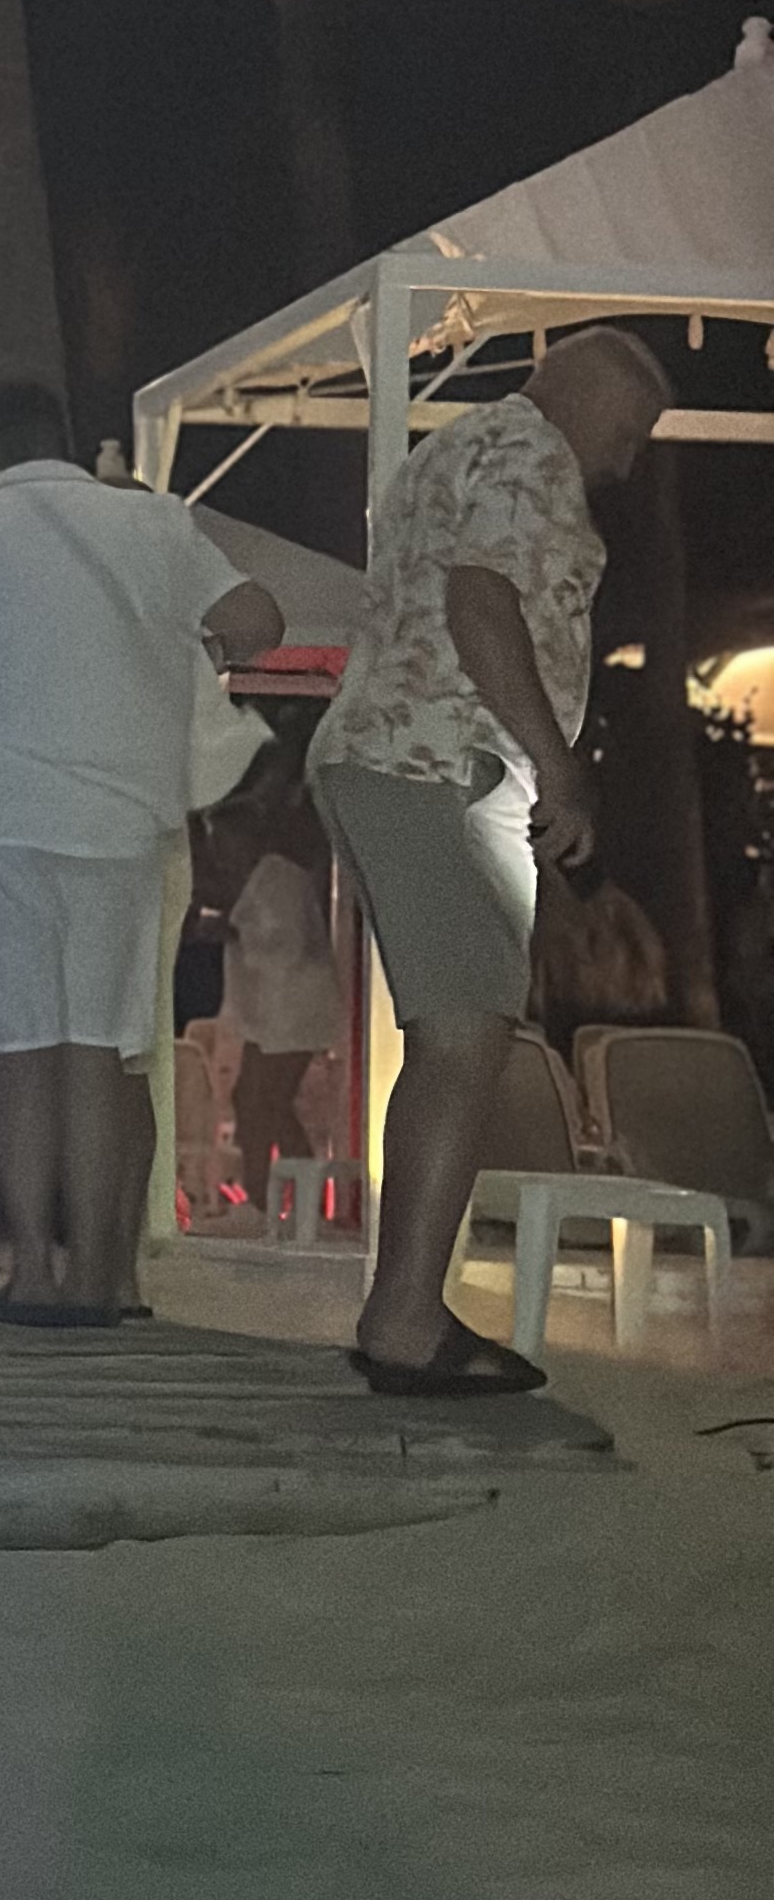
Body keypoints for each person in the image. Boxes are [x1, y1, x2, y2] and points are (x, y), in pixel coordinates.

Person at [0, 381, 282, 1323]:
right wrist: (176, 651)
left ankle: (33, 1279)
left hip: (0, 816)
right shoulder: (154, 524)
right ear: (74, 443)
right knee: (97, 1048)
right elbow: (260, 623)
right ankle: (94, 1274)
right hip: (125, 819)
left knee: (16, 1047)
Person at [310, 322, 669, 1396]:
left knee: (457, 1032)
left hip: (397, 753)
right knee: (464, 1032)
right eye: (633, 431)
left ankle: (406, 1309)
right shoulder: (531, 453)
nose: (630, 461)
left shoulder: (455, 447)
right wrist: (559, 768)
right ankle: (405, 1318)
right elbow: (481, 601)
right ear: (587, 398)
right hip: (434, 762)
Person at [217, 786, 339, 1207]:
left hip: (291, 1015)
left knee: (264, 1102)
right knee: (256, 1101)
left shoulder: (277, 876)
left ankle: (278, 1199)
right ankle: (270, 1196)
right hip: (272, 1018)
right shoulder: (260, 880)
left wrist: (233, 934)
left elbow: (287, 947)